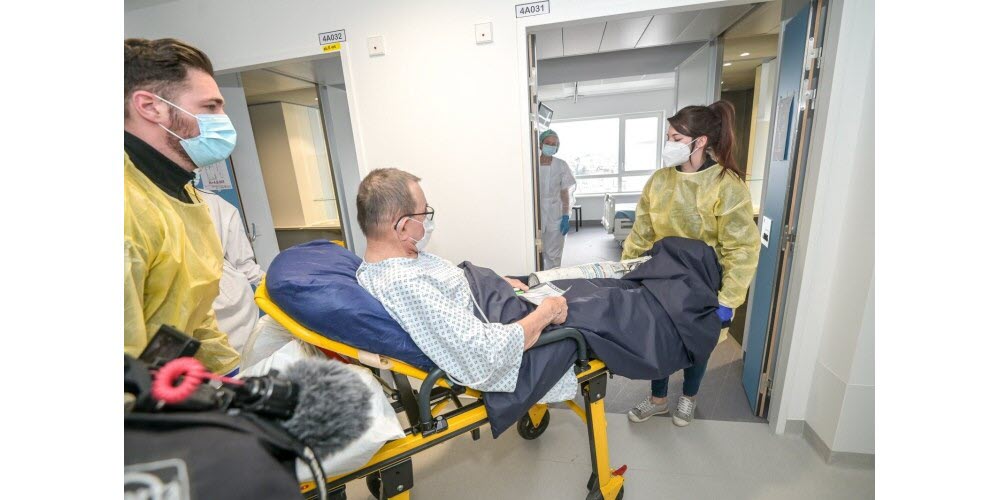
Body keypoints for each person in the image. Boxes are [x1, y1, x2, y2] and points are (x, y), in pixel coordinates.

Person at [354, 168, 576, 401]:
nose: (428, 222)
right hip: (497, 318)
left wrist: (496, 281)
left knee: (555, 282)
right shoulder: (405, 285)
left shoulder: (396, 260)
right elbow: (485, 351)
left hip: (490, 294)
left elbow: (448, 282)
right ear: (402, 227)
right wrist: (547, 313)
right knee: (595, 301)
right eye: (424, 214)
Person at [623, 101, 761, 427]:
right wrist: (626, 270)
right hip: (660, 275)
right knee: (657, 337)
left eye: (675, 138)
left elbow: (741, 247)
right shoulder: (659, 181)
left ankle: (688, 398)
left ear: (699, 142)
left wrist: (728, 300)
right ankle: (658, 399)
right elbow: (641, 231)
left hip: (703, 280)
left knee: (698, 341)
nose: (668, 144)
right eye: (668, 137)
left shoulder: (727, 185)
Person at [124, 38, 241, 375]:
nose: (223, 120)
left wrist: (229, 376)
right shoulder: (127, 208)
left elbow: (196, 309)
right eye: (210, 107)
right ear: (150, 107)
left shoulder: (182, 191)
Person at [199, 189, 265, 352]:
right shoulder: (215, 202)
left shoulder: (141, 202)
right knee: (244, 361)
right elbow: (245, 265)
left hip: (215, 303)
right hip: (233, 300)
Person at [537, 129, 576, 269]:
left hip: (556, 213)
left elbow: (565, 193)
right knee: (536, 251)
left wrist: (565, 216)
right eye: (547, 143)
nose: (551, 146)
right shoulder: (532, 165)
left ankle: (554, 280)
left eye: (554, 144)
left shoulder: (561, 165)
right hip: (535, 213)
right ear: (540, 144)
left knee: (554, 253)